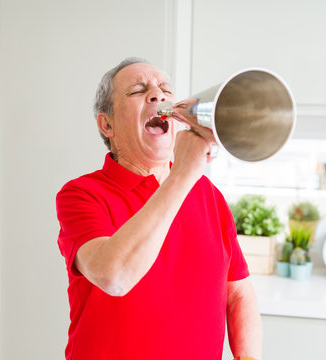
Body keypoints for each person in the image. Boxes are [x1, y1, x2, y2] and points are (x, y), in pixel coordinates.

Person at [56, 57, 263, 360]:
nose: (158, 96)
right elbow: (114, 276)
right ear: (107, 124)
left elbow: (238, 293)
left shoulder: (208, 195)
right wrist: (182, 174)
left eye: (165, 90)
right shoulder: (82, 194)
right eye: (138, 91)